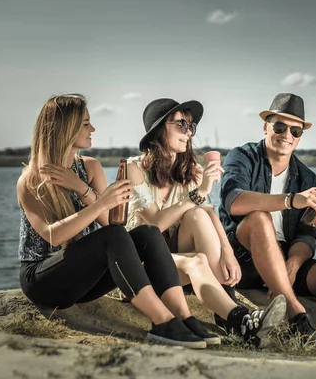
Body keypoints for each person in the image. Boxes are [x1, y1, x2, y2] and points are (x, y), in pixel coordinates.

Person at [18, 94, 215, 349]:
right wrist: (99, 201)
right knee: (113, 237)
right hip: (44, 281)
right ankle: (162, 321)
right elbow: (52, 236)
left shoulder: (89, 168)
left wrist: (82, 189)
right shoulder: (31, 180)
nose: (93, 129)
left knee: (148, 233)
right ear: (65, 129)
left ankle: (183, 316)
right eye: (86, 123)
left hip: (83, 279)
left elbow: (112, 226)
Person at [122, 97, 287, 347]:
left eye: (191, 126)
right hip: (141, 266)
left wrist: (228, 253)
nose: (188, 132)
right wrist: (198, 192)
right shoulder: (134, 169)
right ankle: (238, 318)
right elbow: (155, 224)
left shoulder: (190, 170)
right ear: (158, 130)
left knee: (198, 215)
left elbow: (208, 213)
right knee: (196, 256)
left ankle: (232, 312)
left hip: (176, 265)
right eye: (181, 124)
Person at [218, 93, 316, 345]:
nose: (287, 135)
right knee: (260, 218)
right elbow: (233, 201)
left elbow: (306, 234)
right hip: (243, 258)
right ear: (266, 127)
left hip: (284, 257)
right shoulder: (241, 156)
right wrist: (291, 199)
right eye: (279, 126)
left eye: (295, 131)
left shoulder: (307, 177)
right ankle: (297, 317)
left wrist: (294, 263)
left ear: (299, 138)